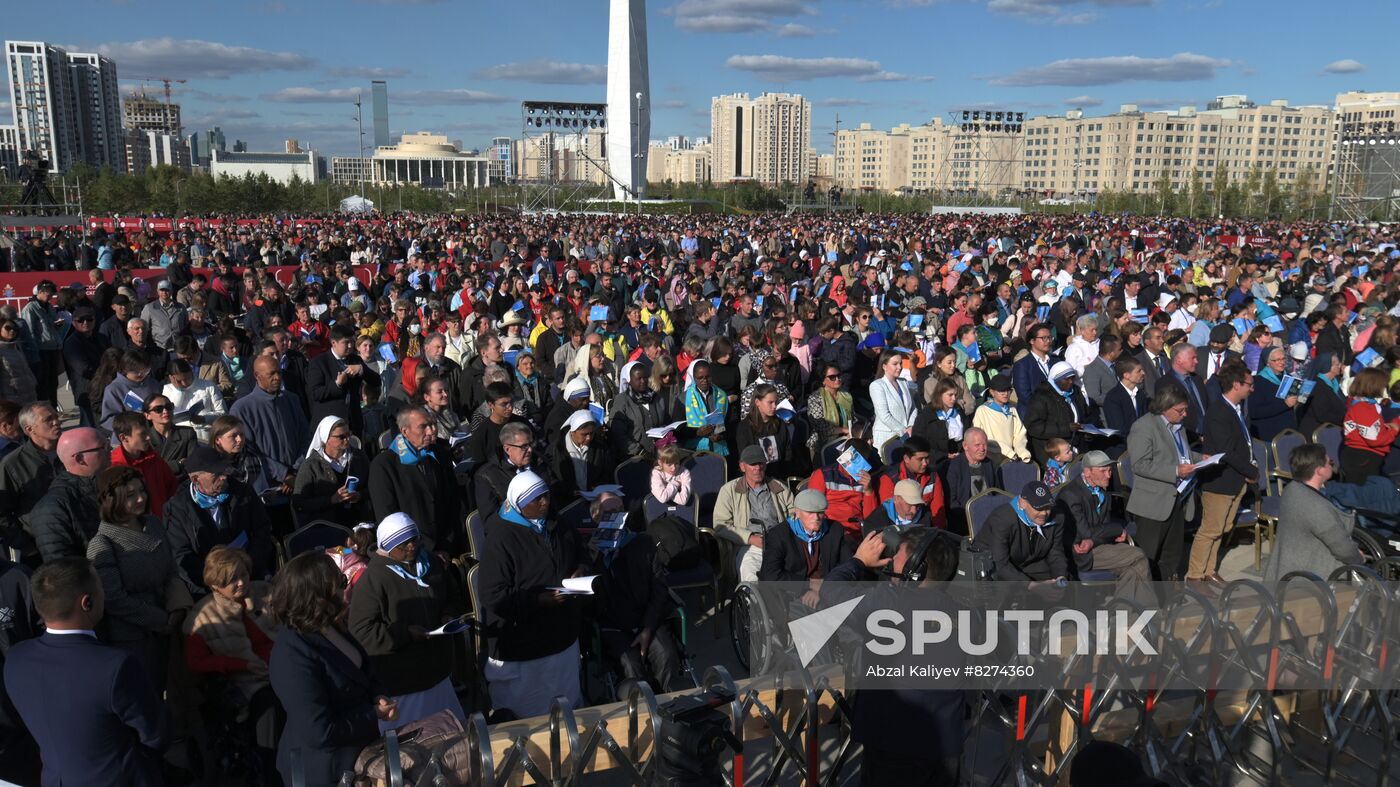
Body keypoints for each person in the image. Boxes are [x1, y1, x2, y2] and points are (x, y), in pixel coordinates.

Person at [5, 557, 172, 787]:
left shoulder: (15, 659)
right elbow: (155, 734)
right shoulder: (115, 666)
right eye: (101, 587)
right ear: (87, 603)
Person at [269, 552, 396, 786]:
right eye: (340, 583)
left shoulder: (329, 625)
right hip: (327, 771)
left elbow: (362, 671)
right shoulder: (292, 654)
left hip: (359, 754)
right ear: (316, 596)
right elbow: (320, 732)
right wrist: (373, 714)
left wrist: (377, 694)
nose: (345, 588)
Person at [479, 471, 585, 720]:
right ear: (518, 504)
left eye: (545, 496)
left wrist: (581, 570)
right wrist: (538, 600)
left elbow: (581, 554)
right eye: (536, 500)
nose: (545, 503)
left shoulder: (558, 525)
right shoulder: (501, 538)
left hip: (562, 637)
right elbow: (493, 595)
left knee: (567, 712)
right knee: (533, 718)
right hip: (525, 646)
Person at [348, 513, 464, 730]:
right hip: (404, 687)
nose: (411, 546)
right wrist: (406, 634)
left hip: (439, 677)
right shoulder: (372, 580)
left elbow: (451, 596)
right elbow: (362, 631)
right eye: (403, 544)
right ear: (388, 546)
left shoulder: (430, 563)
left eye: (415, 539)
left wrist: (448, 615)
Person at [88, 466, 190, 689]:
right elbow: (113, 599)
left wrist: (178, 608)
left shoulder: (152, 523)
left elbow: (171, 569)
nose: (141, 498)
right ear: (111, 499)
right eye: (131, 495)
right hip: (133, 638)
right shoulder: (103, 544)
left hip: (170, 624)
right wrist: (159, 619)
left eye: (142, 491)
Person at [588, 493, 681, 694]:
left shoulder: (643, 543)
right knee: (631, 665)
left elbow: (659, 589)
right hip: (614, 625)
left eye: (620, 511)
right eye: (610, 512)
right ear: (596, 517)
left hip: (647, 619)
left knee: (667, 655)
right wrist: (599, 556)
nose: (617, 516)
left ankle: (667, 702)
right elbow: (591, 600)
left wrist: (647, 628)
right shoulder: (589, 553)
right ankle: (640, 711)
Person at [165, 446, 276, 594]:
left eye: (224, 470)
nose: (223, 477)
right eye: (216, 474)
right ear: (195, 479)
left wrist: (246, 568)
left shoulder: (243, 492)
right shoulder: (177, 509)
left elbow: (262, 531)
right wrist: (219, 579)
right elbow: (181, 555)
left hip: (249, 574)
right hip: (207, 586)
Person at [1187, 364, 1259, 584]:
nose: (1252, 389)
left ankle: (1208, 570)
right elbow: (1226, 450)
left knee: (1222, 529)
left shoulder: (1235, 410)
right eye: (1249, 384)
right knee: (1210, 530)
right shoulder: (1218, 412)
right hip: (1220, 481)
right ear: (1236, 385)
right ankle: (1195, 577)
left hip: (1235, 480)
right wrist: (1251, 471)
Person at [1126, 386, 1204, 581]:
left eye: (1186, 409)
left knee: (1172, 554)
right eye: (1180, 410)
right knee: (1148, 557)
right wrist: (1175, 471)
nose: (1185, 414)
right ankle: (1144, 600)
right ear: (1164, 407)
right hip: (1153, 503)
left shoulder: (1178, 426)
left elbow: (1179, 454)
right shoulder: (1143, 427)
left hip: (1178, 499)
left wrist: (1201, 457)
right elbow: (1140, 465)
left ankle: (1167, 596)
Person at [1055, 451, 1154, 605]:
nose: (1108, 475)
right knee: (1138, 555)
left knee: (1132, 569)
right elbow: (1085, 532)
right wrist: (1117, 529)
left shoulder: (1102, 491)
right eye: (1103, 471)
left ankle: (1122, 616)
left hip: (1098, 545)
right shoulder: (1070, 495)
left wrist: (1103, 535)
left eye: (1109, 470)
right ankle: (1149, 613)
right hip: (1081, 553)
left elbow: (1100, 528)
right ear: (1087, 472)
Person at [367, 407, 463, 556]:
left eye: (433, 425)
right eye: (423, 426)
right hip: (412, 552)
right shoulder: (384, 465)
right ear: (405, 431)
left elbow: (453, 502)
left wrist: (446, 546)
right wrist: (424, 551)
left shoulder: (440, 455)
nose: (431, 431)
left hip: (446, 549)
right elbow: (388, 517)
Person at [1263, 444, 1363, 583]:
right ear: (1319, 470)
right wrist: (1359, 558)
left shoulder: (1291, 489)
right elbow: (1343, 549)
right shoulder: (1317, 507)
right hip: (1311, 577)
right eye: (1330, 462)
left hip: (1286, 567)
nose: (1332, 465)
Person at [229, 354, 311, 503]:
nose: (277, 378)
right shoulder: (242, 409)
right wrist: (284, 475)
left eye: (279, 372)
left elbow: (305, 437)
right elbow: (250, 451)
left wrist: (296, 470)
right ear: (257, 376)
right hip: (266, 490)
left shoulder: (291, 399)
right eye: (271, 374)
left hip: (299, 481)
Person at [758, 490, 855, 609]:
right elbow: (770, 574)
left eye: (820, 512)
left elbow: (847, 564)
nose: (816, 517)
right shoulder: (779, 535)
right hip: (791, 593)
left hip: (829, 589)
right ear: (797, 513)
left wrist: (823, 589)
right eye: (810, 512)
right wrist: (809, 585)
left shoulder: (835, 530)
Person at [713, 445, 795, 583]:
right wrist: (750, 538)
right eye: (753, 464)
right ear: (742, 466)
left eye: (761, 463)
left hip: (780, 544)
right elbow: (720, 525)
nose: (758, 468)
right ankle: (753, 603)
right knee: (751, 578)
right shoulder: (729, 490)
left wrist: (784, 536)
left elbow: (795, 514)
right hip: (749, 547)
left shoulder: (778, 487)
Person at [29, 427, 109, 563]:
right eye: (103, 447)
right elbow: (63, 569)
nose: (110, 451)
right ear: (80, 458)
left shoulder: (109, 486)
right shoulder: (52, 509)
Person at [975, 481, 1069, 585]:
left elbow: (1056, 552)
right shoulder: (1002, 519)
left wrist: (1060, 578)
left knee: (1065, 585)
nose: (1044, 513)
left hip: (1029, 563)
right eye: (1038, 508)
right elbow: (1000, 563)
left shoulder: (1057, 518)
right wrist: (1032, 586)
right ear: (1022, 503)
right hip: (994, 566)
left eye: (1048, 507)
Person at [0, 402, 61, 554]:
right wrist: (26, 546)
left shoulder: (72, 449)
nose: (57, 422)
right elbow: (2, 512)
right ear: (29, 429)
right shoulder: (13, 464)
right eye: (48, 419)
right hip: (40, 546)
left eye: (56, 416)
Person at [293, 416, 372, 529]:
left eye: (348, 434)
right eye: (341, 437)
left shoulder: (359, 457)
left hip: (359, 524)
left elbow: (374, 486)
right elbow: (299, 503)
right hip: (326, 529)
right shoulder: (310, 465)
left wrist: (359, 495)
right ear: (326, 439)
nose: (347, 439)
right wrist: (331, 500)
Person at [109, 412, 179, 518]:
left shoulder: (153, 457)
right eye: (142, 434)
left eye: (148, 432)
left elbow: (171, 485)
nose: (148, 438)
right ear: (124, 438)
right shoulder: (115, 467)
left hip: (164, 521)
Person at [305, 325, 367, 439]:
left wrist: (362, 369)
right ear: (334, 343)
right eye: (346, 343)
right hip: (330, 426)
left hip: (353, 422)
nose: (350, 346)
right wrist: (336, 385)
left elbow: (375, 381)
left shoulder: (355, 360)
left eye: (352, 342)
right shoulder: (319, 362)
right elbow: (315, 393)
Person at [1340, 367, 1400, 481]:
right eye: (1383, 384)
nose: (1384, 388)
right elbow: (1374, 439)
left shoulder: (1364, 405)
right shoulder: (1363, 408)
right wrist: (1394, 429)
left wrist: (1387, 426)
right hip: (1363, 459)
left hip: (1362, 457)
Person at [1025, 361, 1092, 465]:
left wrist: (1088, 431)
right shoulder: (1041, 397)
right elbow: (1034, 427)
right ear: (1055, 379)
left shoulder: (1075, 392)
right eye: (1066, 379)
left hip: (1077, 449)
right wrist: (1067, 428)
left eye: (1072, 378)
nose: (1070, 382)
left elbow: (1085, 414)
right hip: (1054, 454)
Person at [874, 436, 947, 529]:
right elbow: (889, 515)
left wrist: (939, 534)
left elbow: (938, 511)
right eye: (920, 459)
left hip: (925, 527)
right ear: (906, 458)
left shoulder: (933, 476)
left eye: (927, 458)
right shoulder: (889, 479)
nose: (925, 463)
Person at [942, 427, 1002, 531]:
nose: (982, 449)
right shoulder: (954, 466)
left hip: (989, 517)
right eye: (977, 445)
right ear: (965, 446)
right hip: (964, 520)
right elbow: (952, 502)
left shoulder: (989, 464)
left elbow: (997, 492)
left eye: (985, 444)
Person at [550, 409, 614, 499]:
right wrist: (570, 491)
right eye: (584, 434)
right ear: (573, 432)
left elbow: (607, 471)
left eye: (591, 433)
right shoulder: (558, 449)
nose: (588, 438)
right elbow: (555, 478)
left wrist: (598, 486)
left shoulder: (600, 446)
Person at [973, 373, 1032, 464]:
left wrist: (1022, 452)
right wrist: (1008, 452)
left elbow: (1020, 434)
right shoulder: (982, 411)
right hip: (991, 458)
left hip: (1012, 458)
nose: (1005, 394)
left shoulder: (1012, 409)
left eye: (1008, 390)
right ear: (992, 392)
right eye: (1001, 391)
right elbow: (983, 438)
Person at [1247, 346, 1298, 441]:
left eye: (1283, 358)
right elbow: (1255, 412)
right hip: (1270, 435)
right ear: (1268, 363)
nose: (1282, 362)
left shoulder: (1289, 378)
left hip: (1290, 432)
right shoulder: (1258, 382)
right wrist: (1284, 404)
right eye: (1277, 360)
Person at [913, 378, 969, 465]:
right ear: (940, 395)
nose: (954, 398)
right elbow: (918, 442)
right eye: (950, 395)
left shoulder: (958, 411)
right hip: (936, 461)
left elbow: (967, 431)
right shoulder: (926, 415)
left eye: (955, 395)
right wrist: (943, 455)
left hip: (959, 456)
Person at [869, 350, 917, 450]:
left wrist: (911, 426)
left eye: (901, 363)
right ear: (884, 366)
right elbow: (884, 415)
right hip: (887, 437)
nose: (900, 367)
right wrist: (904, 431)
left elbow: (913, 407)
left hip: (907, 435)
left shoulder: (904, 382)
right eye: (895, 364)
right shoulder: (877, 385)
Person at [682, 359, 730, 456]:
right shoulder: (683, 398)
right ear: (694, 378)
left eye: (707, 377)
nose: (704, 381)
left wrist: (721, 435)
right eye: (700, 378)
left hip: (719, 450)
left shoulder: (721, 395)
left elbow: (730, 422)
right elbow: (679, 429)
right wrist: (697, 432)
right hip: (695, 451)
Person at [143, 393, 198, 476]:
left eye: (168, 407)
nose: (165, 411)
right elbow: (146, 469)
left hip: (181, 484)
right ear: (147, 415)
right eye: (158, 409)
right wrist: (178, 464)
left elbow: (193, 464)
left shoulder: (187, 433)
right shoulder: (143, 438)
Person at [806, 361, 854, 455]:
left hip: (846, 441)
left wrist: (854, 430)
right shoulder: (815, 398)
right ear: (823, 381)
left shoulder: (846, 396)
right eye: (832, 377)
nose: (837, 379)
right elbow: (821, 426)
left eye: (839, 375)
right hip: (823, 446)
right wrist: (845, 430)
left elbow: (853, 418)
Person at [1297, 351, 1347, 437]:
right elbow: (1323, 415)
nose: (1340, 366)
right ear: (1327, 367)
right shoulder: (1317, 386)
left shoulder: (1334, 383)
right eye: (1337, 364)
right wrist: (1346, 419)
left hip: (1333, 429)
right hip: (1318, 434)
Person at [863, 478, 934, 535]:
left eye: (918, 505)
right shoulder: (875, 524)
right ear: (896, 499)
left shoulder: (927, 516)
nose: (914, 511)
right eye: (909, 504)